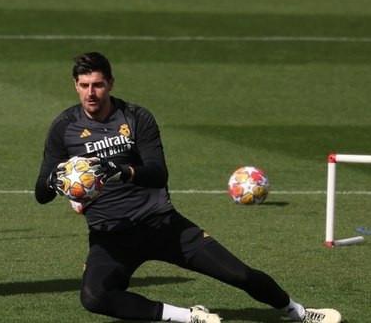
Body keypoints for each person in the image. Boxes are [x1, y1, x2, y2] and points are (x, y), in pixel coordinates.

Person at [34, 52, 341, 323]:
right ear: (75, 85)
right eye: (85, 85)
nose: (91, 93)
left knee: (241, 274)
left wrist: (121, 170)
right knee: (93, 297)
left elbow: (158, 173)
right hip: (111, 235)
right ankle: (187, 316)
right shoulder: (64, 128)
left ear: (111, 83)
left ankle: (298, 312)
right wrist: (58, 181)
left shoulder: (136, 117)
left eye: (98, 84)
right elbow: (41, 193)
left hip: (162, 224)